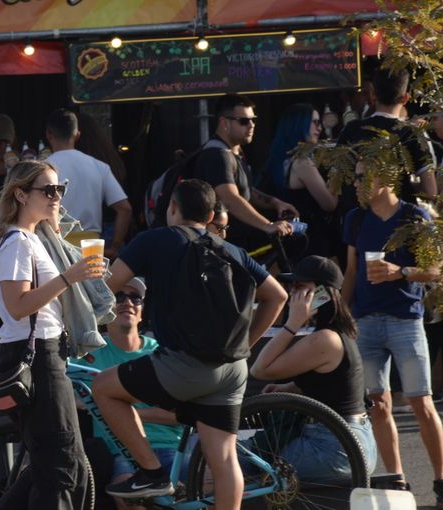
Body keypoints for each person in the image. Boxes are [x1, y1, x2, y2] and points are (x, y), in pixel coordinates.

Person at [94, 179, 287, 509]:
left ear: (171, 208)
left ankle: (152, 472)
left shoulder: (154, 240)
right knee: (224, 460)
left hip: (184, 366)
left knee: (102, 387)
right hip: (233, 370)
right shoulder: (232, 250)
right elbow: (278, 296)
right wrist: (244, 344)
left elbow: (106, 288)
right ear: (211, 215)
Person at [0, 160, 101, 509]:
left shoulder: (30, 238)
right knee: (60, 468)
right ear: (20, 194)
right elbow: (17, 305)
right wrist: (69, 277)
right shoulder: (18, 241)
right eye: (47, 190)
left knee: (60, 464)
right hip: (37, 357)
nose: (56, 197)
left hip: (42, 353)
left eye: (59, 189)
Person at [343, 160, 443, 499]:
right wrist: (342, 315)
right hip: (366, 319)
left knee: (421, 402)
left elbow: (435, 270)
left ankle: (441, 479)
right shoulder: (354, 218)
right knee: (378, 403)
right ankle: (395, 478)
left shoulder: (416, 217)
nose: (354, 183)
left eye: (361, 177)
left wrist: (399, 271)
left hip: (406, 318)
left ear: (385, 178)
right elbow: (352, 271)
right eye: (354, 177)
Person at [250, 255, 377, 482]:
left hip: (332, 447)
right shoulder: (337, 333)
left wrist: (293, 322)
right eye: (291, 286)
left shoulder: (325, 340)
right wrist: (288, 387)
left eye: (300, 287)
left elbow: (259, 370)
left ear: (323, 295)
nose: (292, 293)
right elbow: (330, 385)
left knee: (233, 460)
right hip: (350, 442)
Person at [76, 277, 188, 510]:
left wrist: (122, 413)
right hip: (122, 453)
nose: (127, 302)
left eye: (135, 297)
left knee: (209, 485)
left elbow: (183, 414)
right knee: (127, 495)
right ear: (104, 308)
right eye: (118, 296)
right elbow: (64, 390)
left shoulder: (162, 352)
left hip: (171, 448)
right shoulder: (89, 354)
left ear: (141, 312)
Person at [336, 68, 437, 264]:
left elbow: (337, 184)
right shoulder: (412, 133)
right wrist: (404, 182)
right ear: (406, 98)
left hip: (355, 226)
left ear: (373, 95)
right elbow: (430, 191)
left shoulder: (351, 130)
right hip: (400, 228)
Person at [192, 94, 298, 249]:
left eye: (253, 119)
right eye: (244, 121)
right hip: (221, 244)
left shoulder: (234, 152)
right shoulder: (217, 155)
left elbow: (245, 191)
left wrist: (276, 203)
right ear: (224, 123)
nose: (251, 125)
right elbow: (230, 198)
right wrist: (268, 225)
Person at [45, 108, 132, 258]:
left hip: (54, 247)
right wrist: (115, 247)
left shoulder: (42, 168)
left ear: (48, 134)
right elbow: (125, 209)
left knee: (59, 282)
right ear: (77, 134)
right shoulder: (99, 166)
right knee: (93, 282)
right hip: (92, 248)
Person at [266, 103, 338, 258]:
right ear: (299, 124)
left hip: (292, 242)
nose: (320, 128)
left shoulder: (280, 159)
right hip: (310, 244)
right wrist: (338, 170)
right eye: (315, 122)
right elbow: (329, 204)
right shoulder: (302, 162)